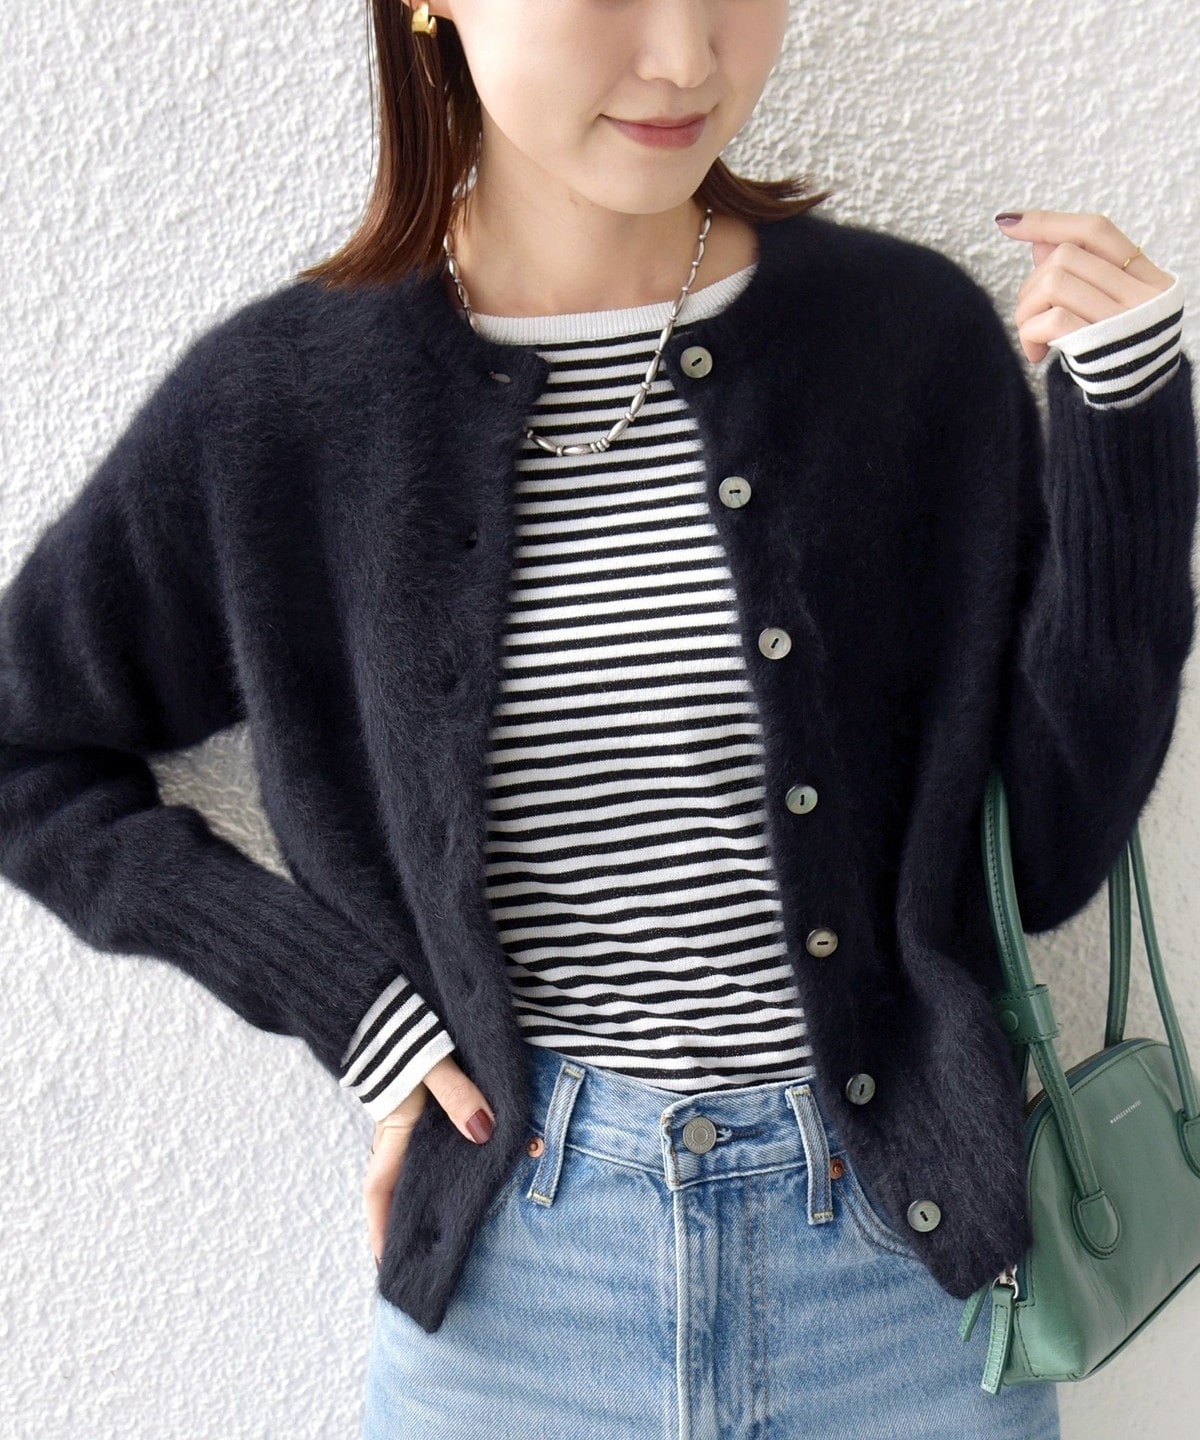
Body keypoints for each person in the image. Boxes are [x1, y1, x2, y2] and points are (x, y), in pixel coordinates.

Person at [0, 2, 1192, 1436]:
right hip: (519, 1295)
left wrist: (1126, 440)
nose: (685, 57)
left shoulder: (904, 345)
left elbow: (1046, 859)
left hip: (903, 1291)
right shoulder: (286, 407)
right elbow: (25, 745)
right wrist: (349, 1005)